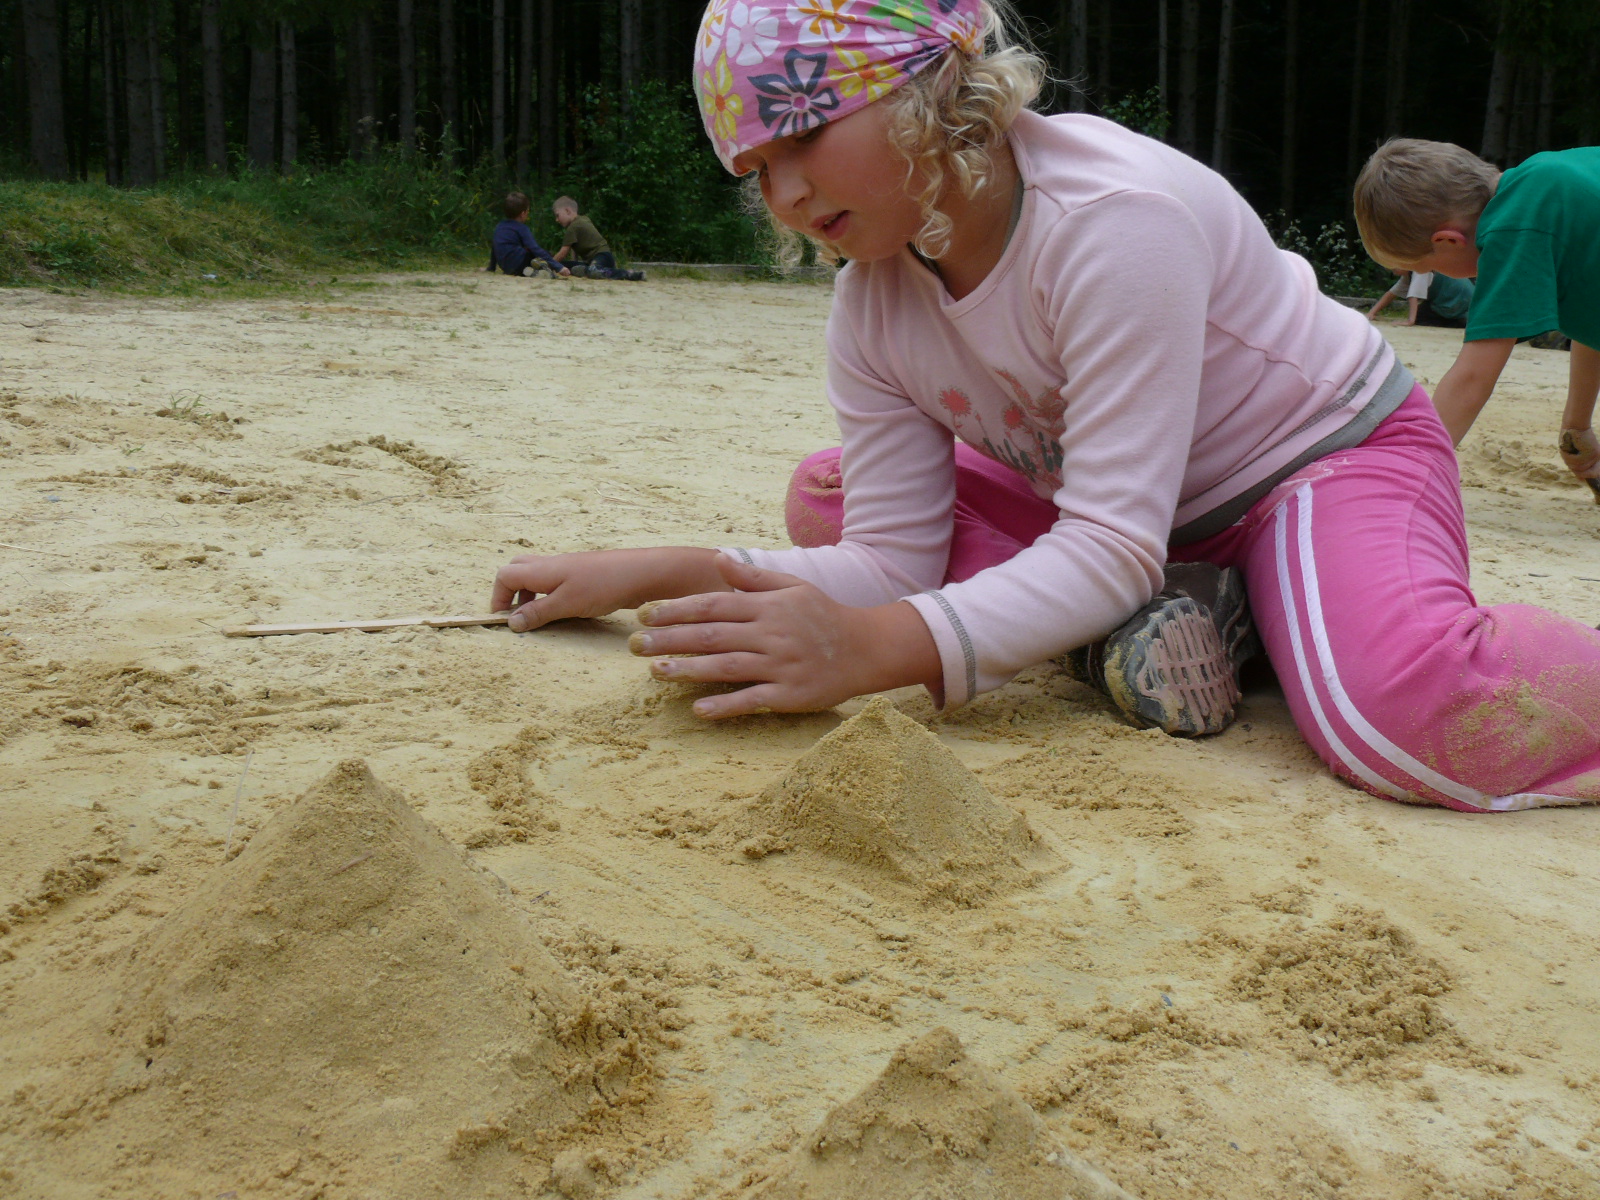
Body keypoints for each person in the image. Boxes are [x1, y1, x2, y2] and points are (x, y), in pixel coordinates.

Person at [491, 2, 1600, 811]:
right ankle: (1209, 615)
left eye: (804, 136)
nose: (782, 192)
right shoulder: (871, 305)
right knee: (828, 497)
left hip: (1321, 462)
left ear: (933, 85)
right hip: (1155, 526)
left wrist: (874, 649)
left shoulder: (1114, 222)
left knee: (1394, 718)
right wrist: (675, 568)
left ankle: (1223, 615)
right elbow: (889, 558)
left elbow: (1098, 544)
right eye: (754, 168)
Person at [1353, 138, 1600, 498]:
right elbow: (1592, 324)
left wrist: (1402, 477)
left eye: (1428, 268)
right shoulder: (1550, 183)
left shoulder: (1513, 227)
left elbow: (1472, 378)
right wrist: (1576, 428)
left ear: (1449, 241)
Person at [552, 198, 645, 281]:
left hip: (601, 256)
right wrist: (574, 263)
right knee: (564, 265)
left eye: (557, 215)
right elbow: (574, 247)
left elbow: (563, 253)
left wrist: (550, 263)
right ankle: (586, 270)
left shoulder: (573, 228)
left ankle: (629, 274)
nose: (557, 220)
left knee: (593, 270)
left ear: (567, 211)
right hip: (601, 259)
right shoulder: (583, 219)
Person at [489, 191, 570, 278]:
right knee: (543, 254)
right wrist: (558, 267)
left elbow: (494, 246)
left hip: (506, 267)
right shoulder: (522, 228)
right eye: (528, 211)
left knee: (527, 252)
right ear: (523, 214)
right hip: (520, 263)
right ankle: (549, 269)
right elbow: (535, 248)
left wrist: (491, 267)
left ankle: (533, 271)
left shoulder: (499, 226)